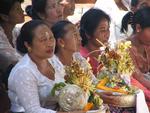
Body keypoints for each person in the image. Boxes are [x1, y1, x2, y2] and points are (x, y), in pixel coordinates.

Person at [8, 20, 85, 113]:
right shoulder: (24, 71)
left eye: (51, 38)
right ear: (28, 45)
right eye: (43, 40)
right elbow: (33, 110)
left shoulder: (52, 59)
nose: (50, 44)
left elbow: (67, 87)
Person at [128, 7, 150, 108]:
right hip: (136, 100)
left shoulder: (147, 44)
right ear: (138, 28)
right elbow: (138, 78)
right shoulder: (125, 48)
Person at [0, 0, 24, 88]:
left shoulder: (16, 31)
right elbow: (16, 60)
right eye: (17, 9)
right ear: (4, 16)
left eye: (21, 7)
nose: (22, 11)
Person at [80, 8, 110, 75]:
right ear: (88, 33)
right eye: (102, 30)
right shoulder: (82, 58)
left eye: (108, 29)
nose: (107, 34)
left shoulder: (103, 54)